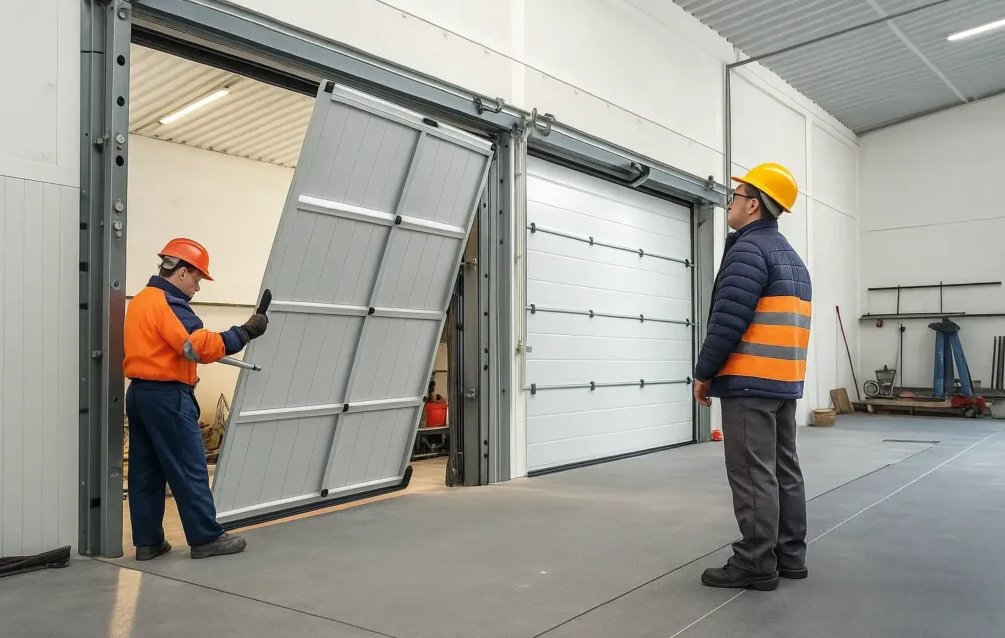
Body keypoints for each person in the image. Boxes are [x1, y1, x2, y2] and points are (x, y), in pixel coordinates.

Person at [692, 163, 812, 591]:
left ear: (754, 205)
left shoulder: (747, 251)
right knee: (784, 469)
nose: (730, 201)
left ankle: (757, 562)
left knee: (751, 470)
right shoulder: (791, 258)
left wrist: (704, 374)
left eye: (736, 195)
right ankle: (789, 556)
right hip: (783, 382)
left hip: (749, 381)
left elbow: (728, 321)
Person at [123, 238, 269, 560]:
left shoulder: (141, 301)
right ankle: (206, 537)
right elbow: (195, 346)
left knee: (145, 472)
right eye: (199, 278)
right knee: (189, 468)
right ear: (183, 272)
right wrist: (244, 332)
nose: (198, 288)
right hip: (167, 397)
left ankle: (148, 542)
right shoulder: (168, 303)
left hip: (139, 395)